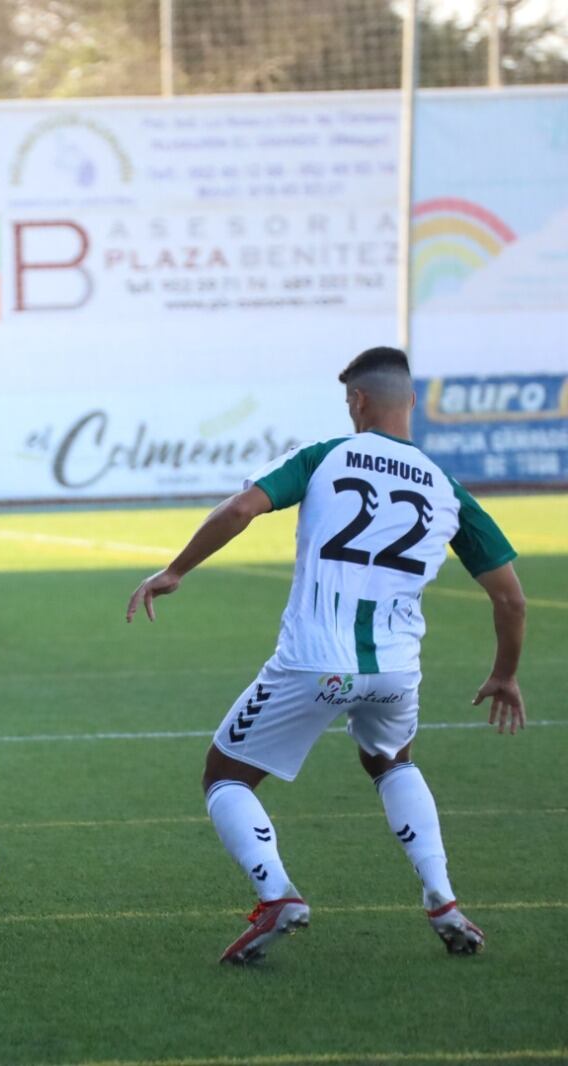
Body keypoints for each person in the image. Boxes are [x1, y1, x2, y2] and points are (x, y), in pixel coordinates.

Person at [125, 346, 527, 965]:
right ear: (411, 402)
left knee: (226, 775)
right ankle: (442, 898)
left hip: (316, 660)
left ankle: (276, 895)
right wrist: (504, 673)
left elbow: (240, 509)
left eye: (348, 400)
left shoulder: (324, 457)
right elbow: (510, 600)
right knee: (392, 762)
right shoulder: (448, 491)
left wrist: (176, 570)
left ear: (359, 401)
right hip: (395, 671)